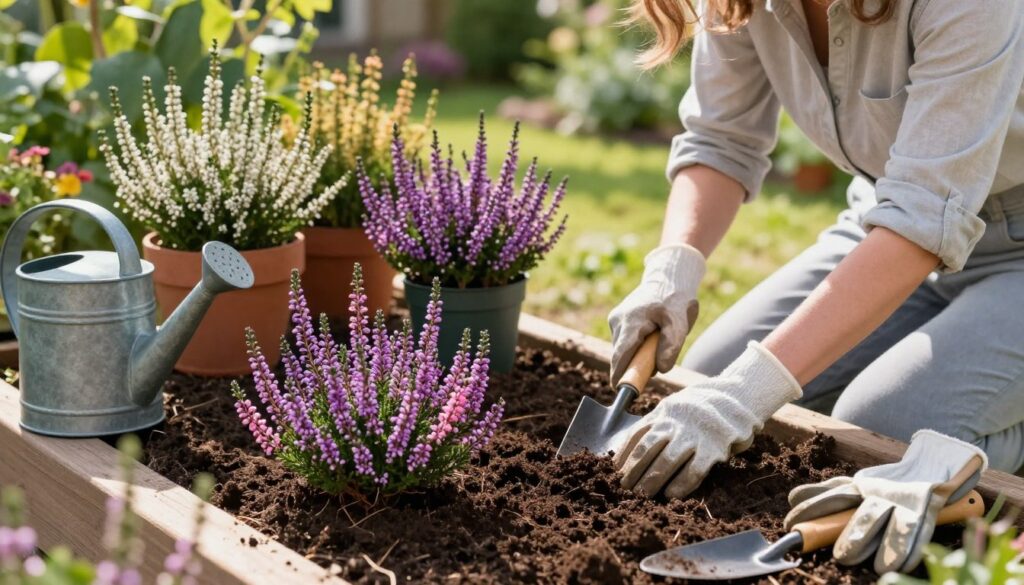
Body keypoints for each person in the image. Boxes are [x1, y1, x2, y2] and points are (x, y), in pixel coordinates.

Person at [609, 0, 1024, 500]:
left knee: (887, 426)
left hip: (985, 242)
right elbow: (721, 141)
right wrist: (673, 268)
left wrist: (746, 395)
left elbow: (926, 214)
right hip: (888, 225)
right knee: (712, 375)